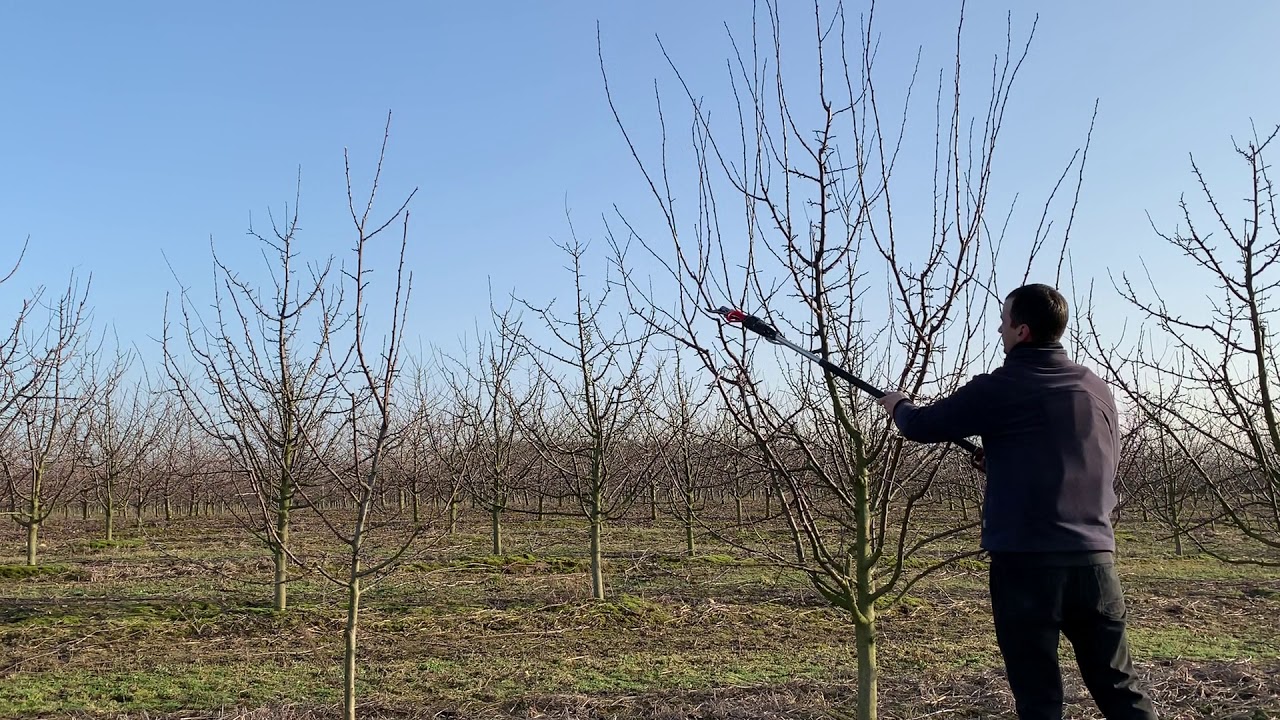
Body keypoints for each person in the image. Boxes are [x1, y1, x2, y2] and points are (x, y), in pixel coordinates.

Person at [876, 284, 1157, 720]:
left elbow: (923, 425)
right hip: (1095, 564)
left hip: (1027, 567)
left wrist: (898, 406)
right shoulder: (1093, 387)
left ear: (1022, 331)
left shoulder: (999, 387)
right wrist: (1010, 459)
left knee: (1039, 697)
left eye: (1004, 321)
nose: (1000, 329)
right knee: (1120, 689)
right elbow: (1096, 460)